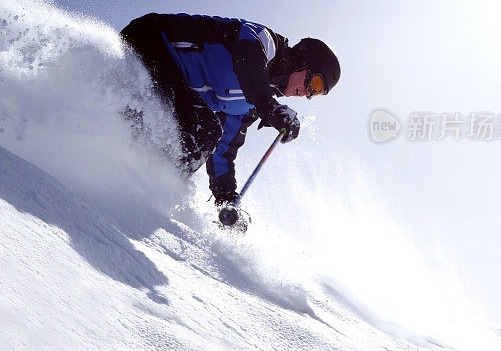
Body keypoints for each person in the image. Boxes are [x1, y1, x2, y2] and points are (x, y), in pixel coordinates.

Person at [120, 12, 340, 209]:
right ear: (305, 62)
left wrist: (226, 197)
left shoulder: (251, 104)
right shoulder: (264, 41)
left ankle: (142, 183)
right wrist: (269, 107)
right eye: (316, 83)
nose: (308, 93)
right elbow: (248, 61)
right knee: (201, 125)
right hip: (153, 41)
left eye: (317, 93)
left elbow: (223, 148)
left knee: (205, 132)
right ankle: (139, 178)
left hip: (174, 86)